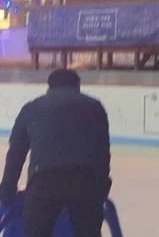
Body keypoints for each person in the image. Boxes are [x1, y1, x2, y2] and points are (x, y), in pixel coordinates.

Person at [0, 69, 111, 237]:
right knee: (88, 231)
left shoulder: (31, 108)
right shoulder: (95, 107)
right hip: (86, 181)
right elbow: (102, 152)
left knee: (36, 230)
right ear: (78, 85)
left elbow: (16, 152)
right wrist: (102, 186)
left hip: (44, 180)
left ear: (49, 86)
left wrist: (6, 190)